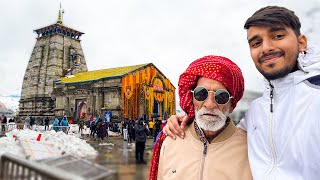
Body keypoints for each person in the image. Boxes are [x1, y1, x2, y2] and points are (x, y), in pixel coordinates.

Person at [163, 6, 320, 180]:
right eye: (256, 43)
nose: (266, 48)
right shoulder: (256, 113)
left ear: (301, 42)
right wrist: (180, 120)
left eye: (278, 36)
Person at [150, 55, 252, 180]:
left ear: (232, 105)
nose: (209, 105)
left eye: (221, 96)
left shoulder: (251, 148)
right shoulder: (171, 141)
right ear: (192, 99)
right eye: (201, 94)